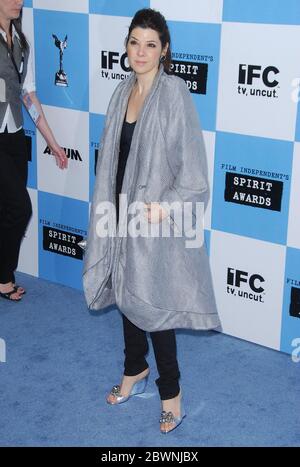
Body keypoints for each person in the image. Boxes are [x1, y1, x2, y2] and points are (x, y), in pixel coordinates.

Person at [83, 8, 221, 434]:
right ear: (126, 46)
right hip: (118, 211)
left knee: (154, 306)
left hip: (154, 217)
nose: (140, 52)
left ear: (164, 52)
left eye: (150, 45)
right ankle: (134, 369)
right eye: (134, 42)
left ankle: (171, 393)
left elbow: (194, 170)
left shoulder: (174, 93)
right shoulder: (120, 92)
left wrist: (165, 208)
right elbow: (112, 158)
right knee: (126, 294)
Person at [0, 0, 68, 302]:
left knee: (7, 211)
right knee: (20, 208)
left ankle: (4, 275)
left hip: (14, 135)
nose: (19, 1)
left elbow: (27, 93)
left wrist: (51, 142)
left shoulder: (21, 41)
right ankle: (3, 278)